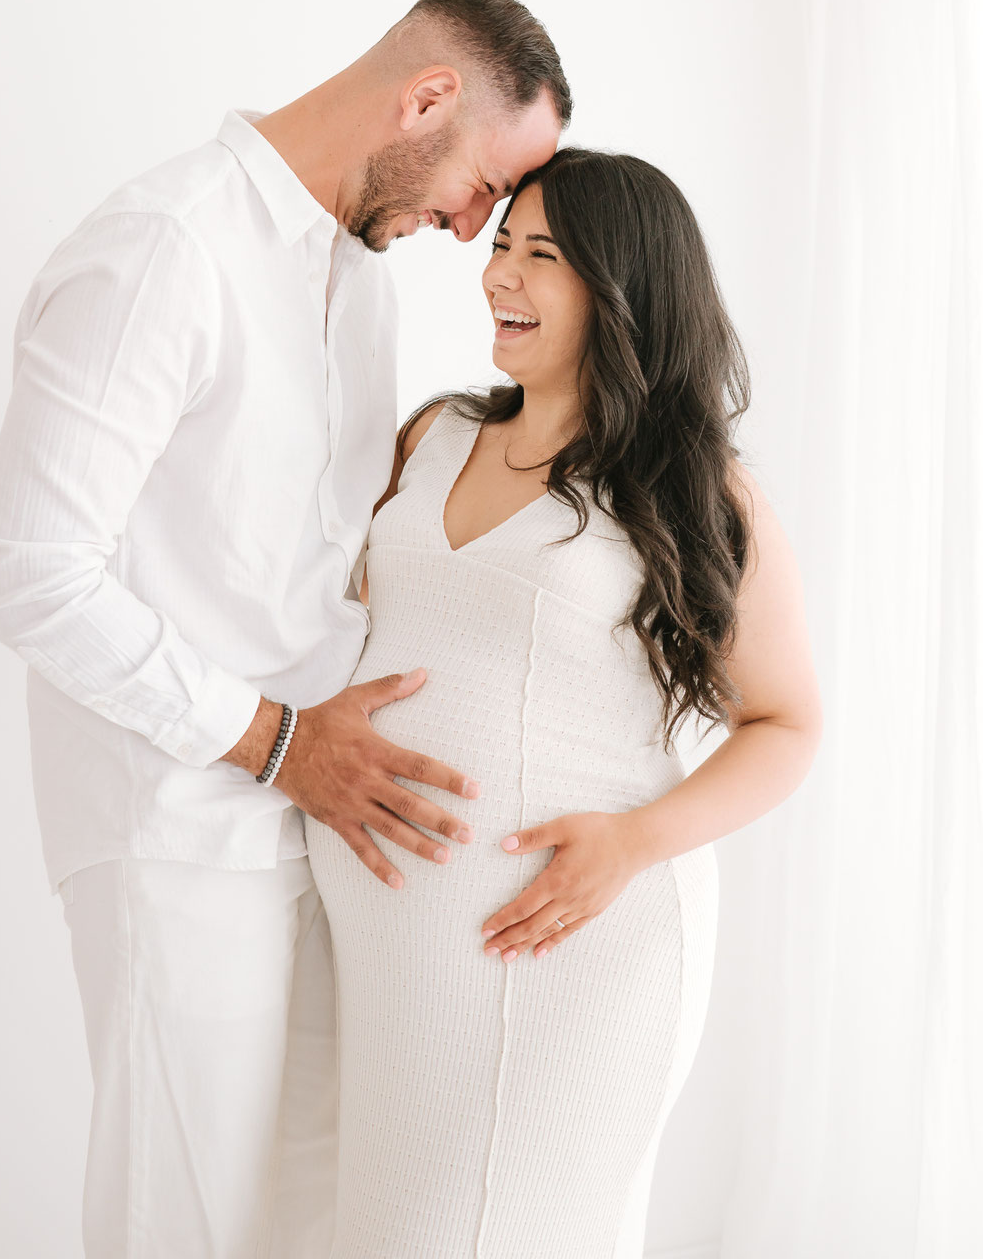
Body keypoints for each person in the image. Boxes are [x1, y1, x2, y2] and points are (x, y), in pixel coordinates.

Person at [0, 0, 569, 1258]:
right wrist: (280, 743)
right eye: (482, 186)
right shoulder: (163, 249)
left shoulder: (362, 284)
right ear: (424, 99)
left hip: (325, 840)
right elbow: (28, 569)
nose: (476, 231)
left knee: (303, 1227)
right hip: (180, 833)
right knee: (181, 1227)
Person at [304, 149, 824, 1258]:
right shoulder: (430, 435)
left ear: (624, 285)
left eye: (543, 256)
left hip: (567, 940)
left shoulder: (689, 486)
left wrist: (634, 843)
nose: (500, 275)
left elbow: (785, 724)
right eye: (500, 245)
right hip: (398, 951)